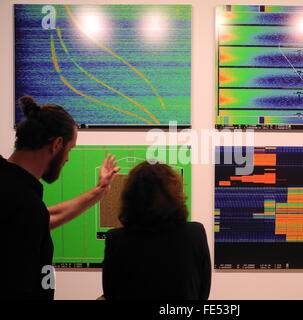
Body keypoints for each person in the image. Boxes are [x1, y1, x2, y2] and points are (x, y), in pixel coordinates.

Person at [0, 96, 120, 300]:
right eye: (70, 149)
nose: (67, 158)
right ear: (56, 144)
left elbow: (44, 218)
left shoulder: (18, 194)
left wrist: (98, 192)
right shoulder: (21, 200)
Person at [102, 162, 211, 300]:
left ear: (130, 196)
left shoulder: (116, 238)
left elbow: (110, 292)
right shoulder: (195, 233)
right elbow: (203, 292)